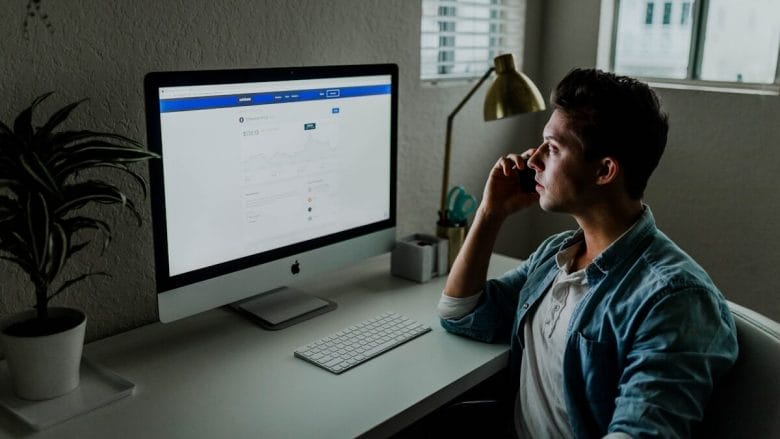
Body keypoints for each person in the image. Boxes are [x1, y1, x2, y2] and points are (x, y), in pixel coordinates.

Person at [437, 68, 738, 438]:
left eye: (553, 147)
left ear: (604, 171)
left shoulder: (675, 300)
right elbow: (461, 314)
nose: (533, 160)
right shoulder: (557, 256)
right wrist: (489, 213)